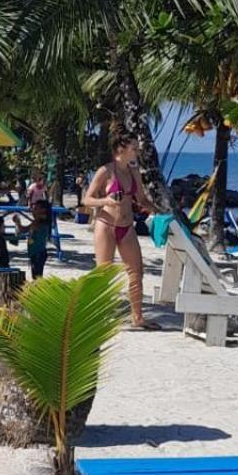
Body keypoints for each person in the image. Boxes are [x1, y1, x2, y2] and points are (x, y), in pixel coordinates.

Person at [84, 133, 161, 330]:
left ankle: (137, 317)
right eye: (134, 148)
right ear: (121, 149)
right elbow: (87, 199)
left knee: (136, 271)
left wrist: (157, 209)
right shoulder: (105, 171)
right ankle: (99, 315)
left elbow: (141, 199)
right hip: (106, 225)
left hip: (127, 226)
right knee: (104, 273)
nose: (137, 151)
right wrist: (106, 201)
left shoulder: (134, 172)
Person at [24, 198, 52, 279]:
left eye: (36, 208)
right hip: (33, 252)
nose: (33, 210)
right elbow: (24, 229)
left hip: (39, 253)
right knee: (35, 275)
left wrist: (35, 216)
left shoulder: (43, 222)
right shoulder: (36, 221)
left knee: (37, 276)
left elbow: (35, 226)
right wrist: (18, 223)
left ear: (43, 210)